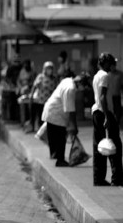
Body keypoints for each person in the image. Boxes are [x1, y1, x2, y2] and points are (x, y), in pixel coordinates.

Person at [91, 53, 123, 186]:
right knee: (115, 145)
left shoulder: (97, 75)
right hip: (104, 112)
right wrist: (106, 117)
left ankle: (98, 179)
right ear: (105, 64)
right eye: (110, 63)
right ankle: (117, 179)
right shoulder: (104, 76)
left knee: (99, 146)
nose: (112, 66)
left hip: (96, 112)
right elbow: (103, 97)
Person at [42, 74, 85, 167]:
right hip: (56, 113)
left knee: (56, 136)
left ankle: (56, 155)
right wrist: (74, 126)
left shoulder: (67, 79)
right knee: (61, 136)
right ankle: (60, 160)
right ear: (80, 83)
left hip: (52, 110)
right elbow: (71, 110)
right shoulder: (71, 88)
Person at [27, 61, 57, 133]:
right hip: (39, 100)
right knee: (37, 114)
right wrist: (31, 95)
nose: (50, 70)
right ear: (45, 69)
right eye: (48, 69)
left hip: (48, 101)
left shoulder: (54, 79)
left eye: (51, 69)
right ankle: (33, 127)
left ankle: (44, 130)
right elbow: (35, 86)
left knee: (45, 117)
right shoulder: (41, 77)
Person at [108, 60, 123, 124]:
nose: (112, 68)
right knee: (111, 111)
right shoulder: (107, 74)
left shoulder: (120, 74)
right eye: (111, 66)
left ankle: (117, 122)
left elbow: (122, 85)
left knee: (118, 110)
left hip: (117, 95)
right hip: (109, 96)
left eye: (113, 66)